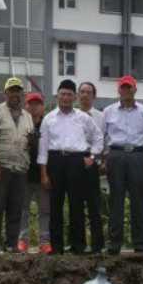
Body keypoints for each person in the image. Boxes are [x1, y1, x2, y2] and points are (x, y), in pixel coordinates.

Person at [38, 79, 103, 255]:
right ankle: (57, 247)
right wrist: (44, 174)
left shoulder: (83, 117)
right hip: (55, 162)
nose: (66, 98)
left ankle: (78, 246)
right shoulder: (48, 118)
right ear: (57, 96)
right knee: (55, 206)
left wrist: (92, 156)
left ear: (74, 97)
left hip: (77, 162)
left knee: (76, 206)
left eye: (69, 94)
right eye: (62, 94)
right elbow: (43, 148)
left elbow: (98, 137)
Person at [102, 75, 143, 254]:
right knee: (116, 201)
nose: (126, 91)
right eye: (123, 87)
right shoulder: (108, 111)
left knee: (139, 202)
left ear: (135, 90)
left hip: (138, 156)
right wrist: (103, 160)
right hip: (116, 155)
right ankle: (114, 244)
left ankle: (141, 244)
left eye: (129, 88)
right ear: (119, 90)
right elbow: (101, 137)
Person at [0, 78, 33, 253]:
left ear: (22, 94)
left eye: (18, 91)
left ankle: (11, 244)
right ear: (5, 93)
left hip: (20, 167)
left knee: (16, 208)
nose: (15, 94)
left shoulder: (27, 116)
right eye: (11, 91)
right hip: (1, 165)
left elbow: (29, 140)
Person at [18, 92, 52, 253]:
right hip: (23, 173)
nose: (34, 107)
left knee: (44, 210)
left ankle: (44, 241)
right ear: (26, 106)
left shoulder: (48, 124)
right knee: (22, 209)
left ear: (42, 107)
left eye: (37, 104)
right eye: (31, 104)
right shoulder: (20, 123)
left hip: (42, 175)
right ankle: (22, 240)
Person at [76, 81, 106, 253]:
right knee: (76, 205)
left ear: (94, 96)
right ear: (78, 95)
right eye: (82, 92)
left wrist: (99, 160)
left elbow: (104, 140)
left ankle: (97, 245)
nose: (85, 95)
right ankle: (79, 244)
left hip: (93, 162)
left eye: (89, 92)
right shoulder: (71, 114)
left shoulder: (101, 117)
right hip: (74, 162)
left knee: (94, 205)